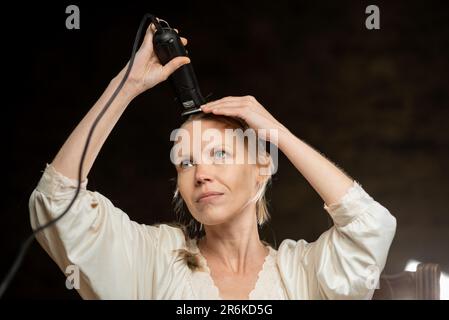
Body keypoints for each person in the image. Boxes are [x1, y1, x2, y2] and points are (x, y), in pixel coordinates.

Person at [29, 22, 396, 300]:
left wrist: (278, 133)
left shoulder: (301, 273)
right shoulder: (152, 259)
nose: (201, 173)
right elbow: (57, 201)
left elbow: (369, 227)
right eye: (186, 163)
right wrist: (127, 85)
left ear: (262, 168)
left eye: (219, 154)